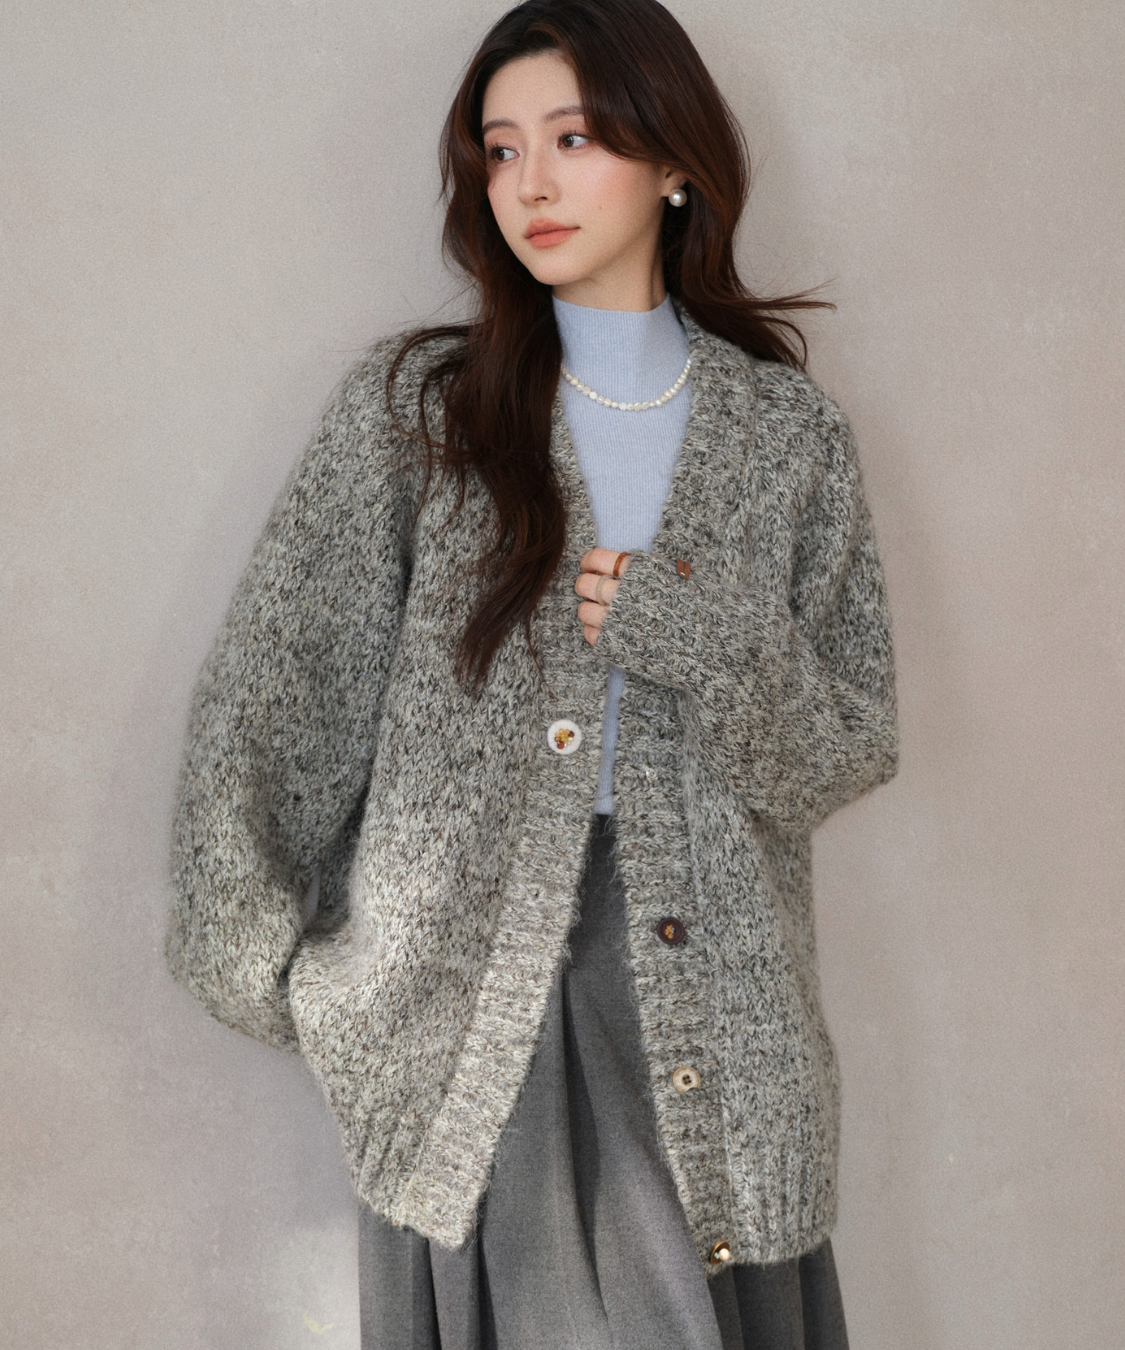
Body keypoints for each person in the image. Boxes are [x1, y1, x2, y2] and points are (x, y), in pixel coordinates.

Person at [166, 1, 899, 1346]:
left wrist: (704, 635)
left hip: (716, 1017)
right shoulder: (422, 414)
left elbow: (845, 748)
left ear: (673, 161)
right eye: (500, 151)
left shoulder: (788, 437)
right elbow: (272, 708)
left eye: (572, 138)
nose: (532, 185)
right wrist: (295, 983)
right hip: (470, 1019)